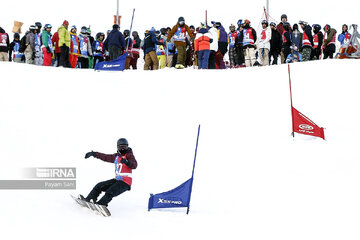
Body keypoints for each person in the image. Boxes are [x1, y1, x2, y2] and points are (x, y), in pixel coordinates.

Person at [82, 138, 137, 209]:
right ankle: (89, 199)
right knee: (99, 186)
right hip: (117, 180)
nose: (122, 149)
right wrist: (94, 154)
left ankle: (101, 205)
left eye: (124, 147)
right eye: (121, 147)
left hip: (125, 183)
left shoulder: (129, 155)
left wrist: (127, 162)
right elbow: (105, 157)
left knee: (110, 192)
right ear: (118, 147)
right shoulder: (116, 157)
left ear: (127, 146)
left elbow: (134, 165)